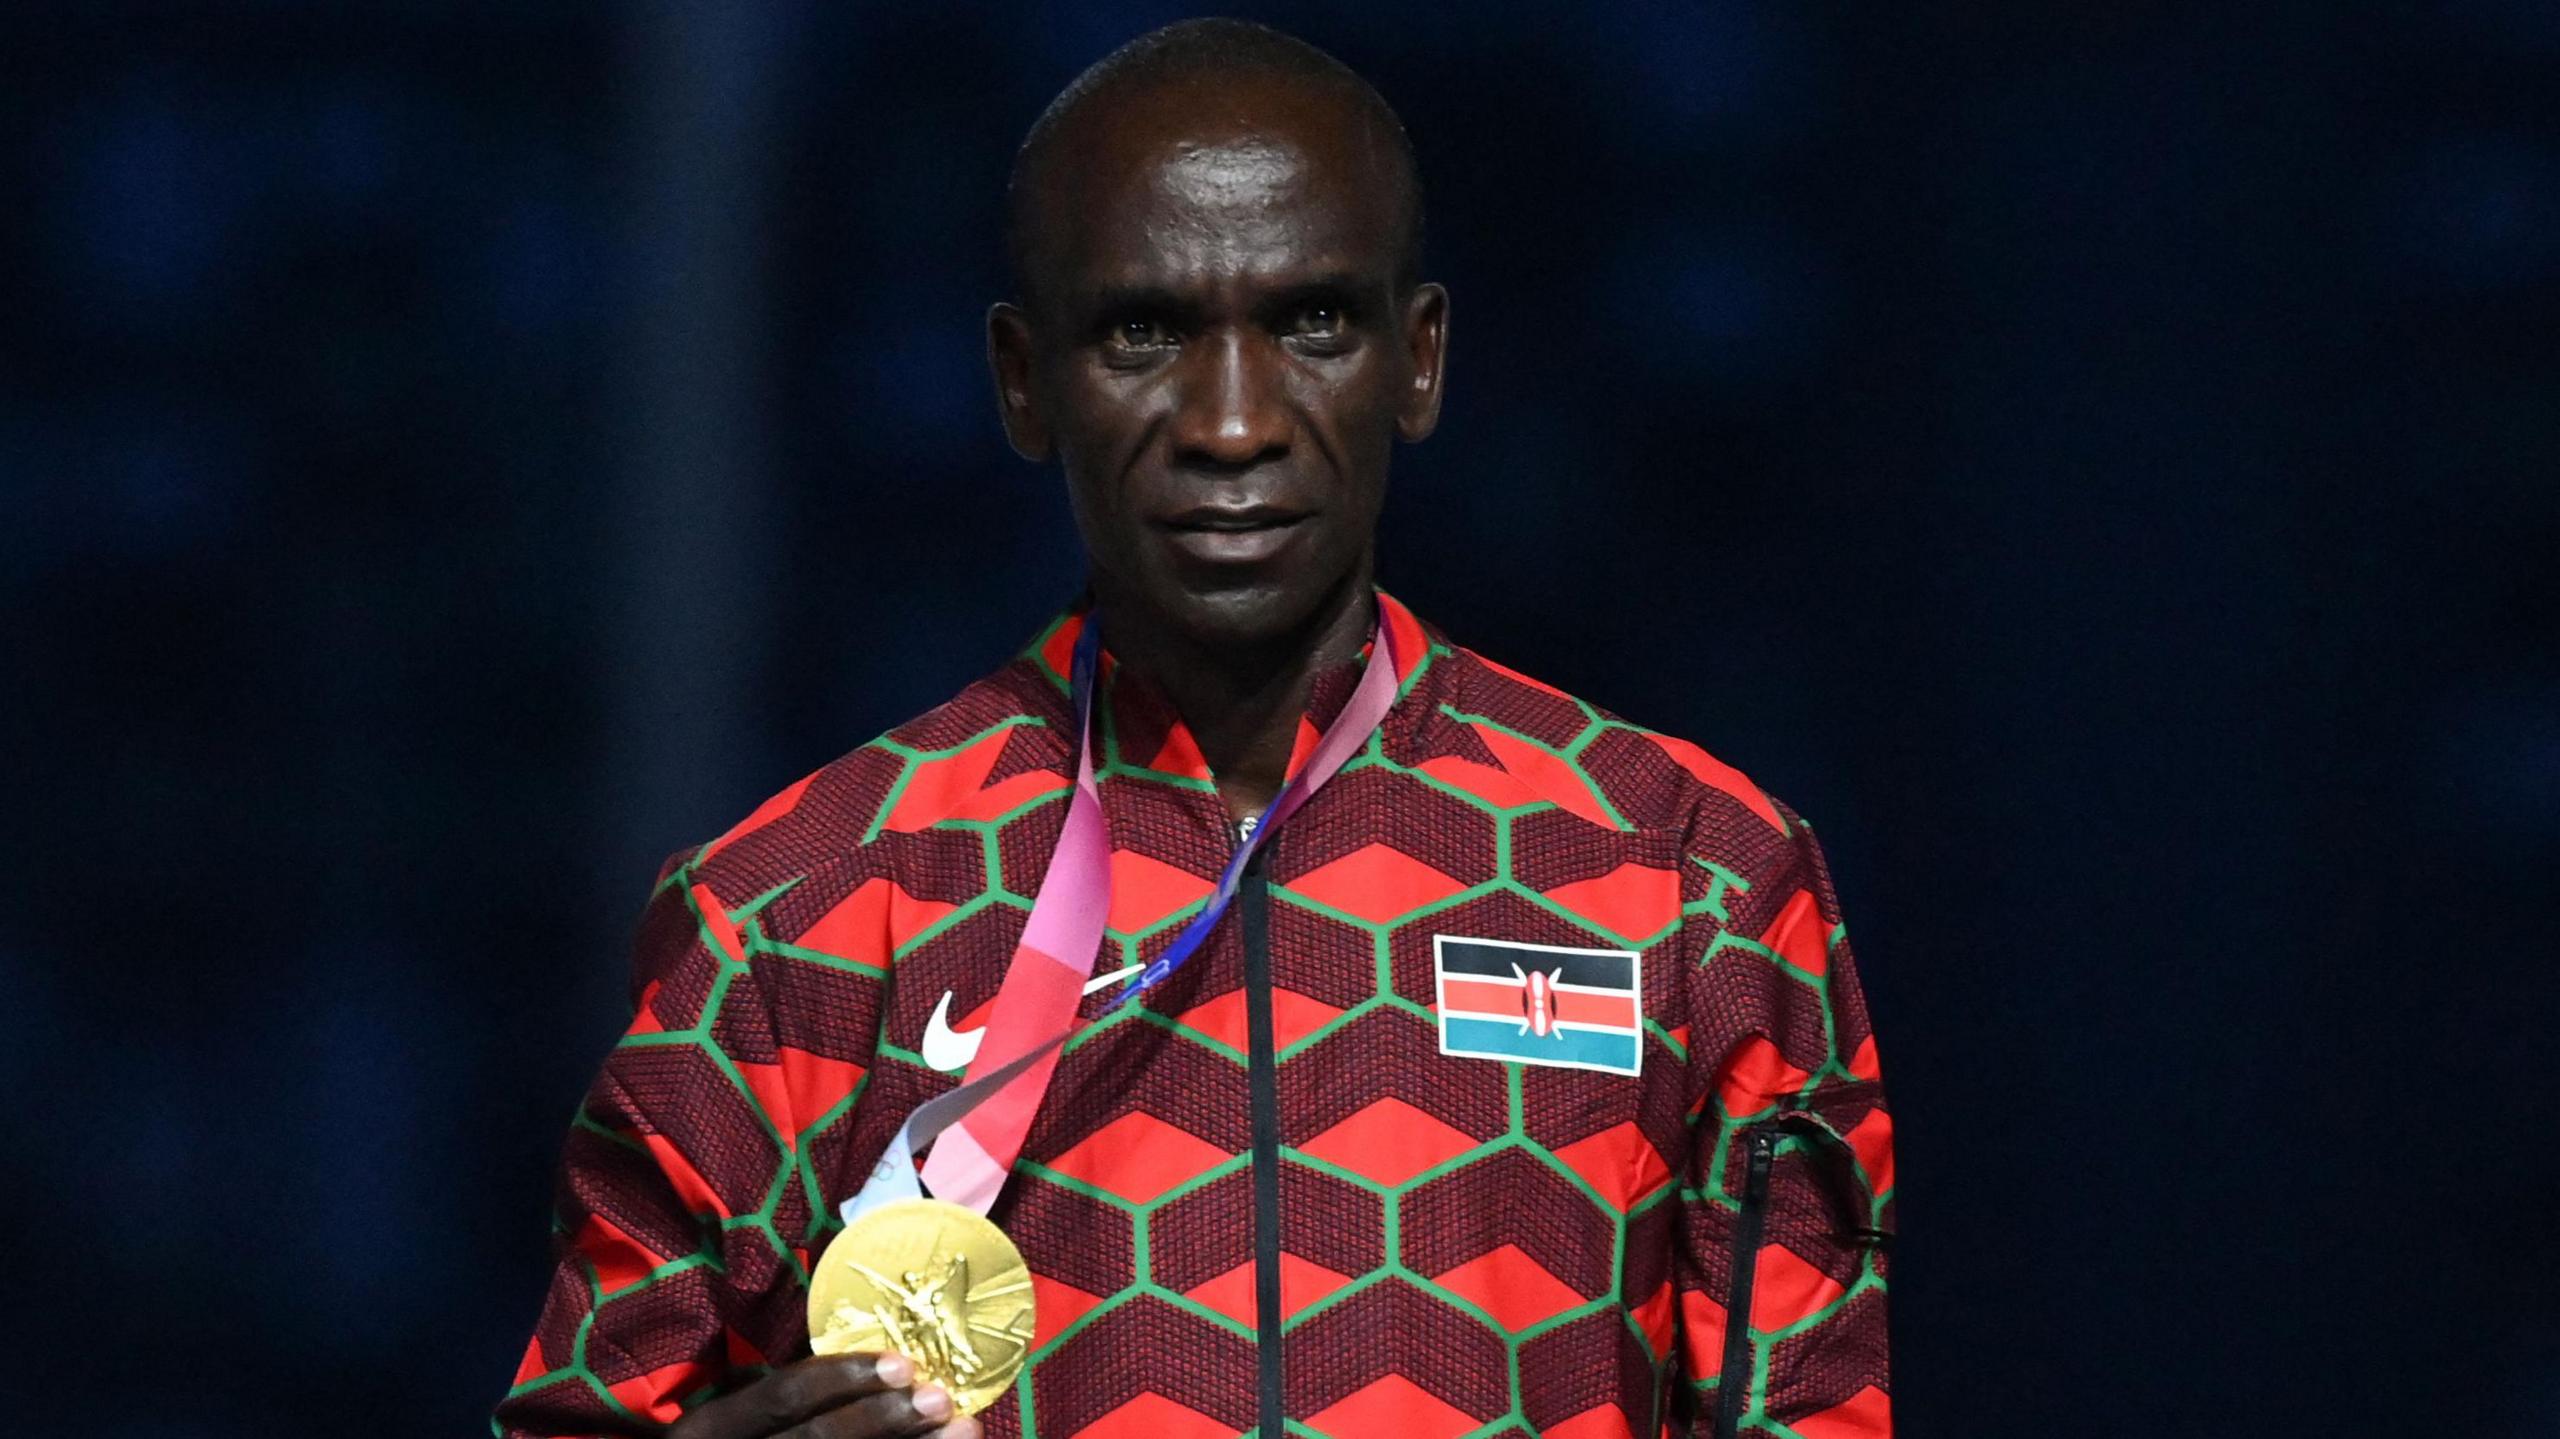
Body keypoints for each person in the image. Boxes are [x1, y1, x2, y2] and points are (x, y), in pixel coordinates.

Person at [496, 18, 1892, 1439]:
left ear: (1418, 363)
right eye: (1143, 332)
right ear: (1024, 380)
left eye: (1313, 324)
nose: (1233, 422)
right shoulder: (801, 913)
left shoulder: (1690, 881)